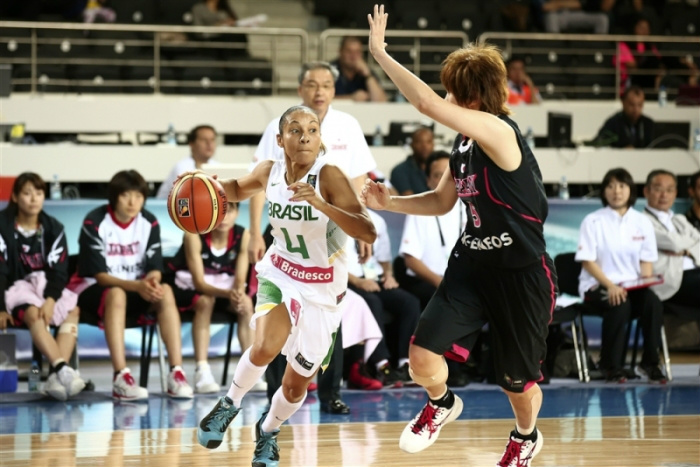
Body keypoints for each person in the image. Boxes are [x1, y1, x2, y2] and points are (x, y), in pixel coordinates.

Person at [363, 7, 557, 466]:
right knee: (421, 359)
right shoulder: (464, 144)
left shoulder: (498, 131)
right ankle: (442, 403)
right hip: (472, 265)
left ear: (471, 97)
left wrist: (381, 54)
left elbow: (427, 104)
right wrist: (390, 203)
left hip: (521, 274)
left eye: (453, 88)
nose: (446, 94)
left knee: (517, 383)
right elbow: (442, 201)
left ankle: (525, 437)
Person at [196, 105, 376, 466]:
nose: (305, 135)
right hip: (281, 273)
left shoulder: (331, 176)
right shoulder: (269, 170)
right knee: (264, 346)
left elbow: (367, 230)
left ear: (320, 138)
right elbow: (234, 189)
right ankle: (228, 403)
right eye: (295, 129)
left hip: (324, 289)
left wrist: (322, 205)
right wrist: (205, 186)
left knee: (296, 385)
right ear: (280, 140)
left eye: (312, 129)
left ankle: (268, 431)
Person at [247, 61, 378, 414]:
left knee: (329, 311)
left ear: (335, 91)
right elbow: (259, 181)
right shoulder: (281, 126)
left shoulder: (348, 125)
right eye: (311, 84)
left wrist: (363, 225)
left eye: (326, 84)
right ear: (300, 89)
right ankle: (277, 391)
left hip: (331, 229)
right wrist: (253, 232)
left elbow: (360, 179)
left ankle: (330, 392)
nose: (319, 90)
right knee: (276, 312)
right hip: (286, 225)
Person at [71, 170, 193, 401]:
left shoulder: (148, 221)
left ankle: (176, 373)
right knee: (117, 294)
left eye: (138, 196)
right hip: (94, 291)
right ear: (114, 197)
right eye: (126, 195)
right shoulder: (94, 222)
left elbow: (155, 266)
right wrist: (137, 286)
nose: (132, 202)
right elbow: (99, 275)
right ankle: (121, 377)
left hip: (136, 289)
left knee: (165, 291)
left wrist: (152, 282)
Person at [575, 167, 666, 383]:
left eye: (622, 186)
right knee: (619, 303)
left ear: (631, 190)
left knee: (653, 302)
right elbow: (587, 261)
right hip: (597, 287)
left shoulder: (642, 221)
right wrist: (611, 285)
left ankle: (650, 362)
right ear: (604, 191)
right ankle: (610, 365)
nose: (616, 191)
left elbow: (646, 263)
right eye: (611, 186)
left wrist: (645, 284)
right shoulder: (593, 220)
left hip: (631, 287)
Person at [0, 172, 85, 401]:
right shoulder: (2, 226)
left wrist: (50, 300)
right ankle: (61, 369)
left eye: (38, 193)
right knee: (33, 312)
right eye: (27, 193)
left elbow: (60, 271)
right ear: (16, 197)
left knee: (72, 311)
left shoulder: (53, 228)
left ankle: (57, 376)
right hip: (13, 290)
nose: (34, 199)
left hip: (46, 289)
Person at [165, 201, 254, 394]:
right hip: (185, 285)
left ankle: (251, 372)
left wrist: (238, 294)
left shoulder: (243, 235)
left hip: (222, 286)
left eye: (229, 211)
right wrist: (229, 293)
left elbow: (240, 277)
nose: (224, 217)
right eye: (220, 211)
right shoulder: (194, 234)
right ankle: (202, 371)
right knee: (206, 301)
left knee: (246, 306)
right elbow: (199, 283)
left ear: (237, 213)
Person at [346, 209, 420, 386]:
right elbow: (330, 263)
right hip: (348, 280)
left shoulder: (377, 220)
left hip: (373, 277)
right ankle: (381, 365)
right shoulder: (333, 218)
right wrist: (358, 282)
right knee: (372, 302)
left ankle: (405, 364)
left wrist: (389, 275)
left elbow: (384, 259)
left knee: (409, 302)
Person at [398, 152, 465, 309]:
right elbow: (410, 259)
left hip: (462, 281)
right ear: (428, 181)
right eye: (437, 175)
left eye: (449, 175)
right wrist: (441, 283)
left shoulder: (469, 208)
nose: (444, 181)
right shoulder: (418, 211)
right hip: (429, 282)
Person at [643, 170, 700, 309]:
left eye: (669, 190)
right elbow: (673, 243)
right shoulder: (641, 221)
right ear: (646, 191)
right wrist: (690, 243)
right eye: (658, 189)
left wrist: (686, 252)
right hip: (670, 279)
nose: (664, 195)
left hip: (694, 273)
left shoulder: (679, 219)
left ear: (675, 193)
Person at [156, 125, 219, 198]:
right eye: (203, 139)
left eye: (212, 139)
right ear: (191, 144)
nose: (209, 144)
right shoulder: (181, 167)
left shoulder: (218, 166)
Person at [331, 36, 387, 102]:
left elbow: (381, 101)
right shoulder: (330, 70)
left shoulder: (367, 71)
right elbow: (322, 100)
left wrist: (368, 75)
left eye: (357, 52)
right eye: (349, 51)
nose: (353, 56)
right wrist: (350, 98)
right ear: (340, 51)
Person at [389, 127, 434, 196]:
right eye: (419, 142)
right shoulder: (400, 170)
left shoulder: (438, 168)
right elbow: (408, 200)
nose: (424, 146)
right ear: (412, 145)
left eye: (428, 142)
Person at [534, 0, 611, 34]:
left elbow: (587, 4)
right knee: (551, 18)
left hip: (577, 13)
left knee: (602, 19)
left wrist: (559, 4)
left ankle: (598, 52)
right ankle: (554, 51)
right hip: (556, 15)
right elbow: (545, 6)